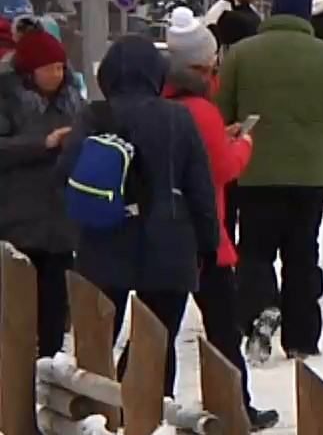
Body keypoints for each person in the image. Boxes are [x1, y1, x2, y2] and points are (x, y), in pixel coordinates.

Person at [59, 36, 219, 396]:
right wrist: (207, 245)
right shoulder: (177, 117)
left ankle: (96, 415)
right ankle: (149, 423)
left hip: (102, 240)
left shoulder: (93, 116)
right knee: (156, 340)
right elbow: (200, 188)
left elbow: (65, 175)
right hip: (169, 243)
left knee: (97, 340)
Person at [217, 0, 323, 363]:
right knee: (302, 255)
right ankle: (301, 337)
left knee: (254, 252)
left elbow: (222, 112)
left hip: (253, 174)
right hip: (308, 176)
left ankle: (259, 312)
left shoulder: (241, 55)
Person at [162, 10, 276, 429]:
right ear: (202, 67)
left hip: (169, 234)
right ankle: (236, 407)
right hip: (207, 236)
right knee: (223, 330)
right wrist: (243, 144)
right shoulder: (200, 111)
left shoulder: (164, 105)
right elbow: (223, 169)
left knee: (159, 326)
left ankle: (143, 398)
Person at [0, 28, 85, 357]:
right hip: (17, 224)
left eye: (60, 67)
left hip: (61, 225)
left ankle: (48, 369)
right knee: (17, 312)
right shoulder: (8, 100)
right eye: (49, 68)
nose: (56, 74)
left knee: (54, 312)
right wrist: (43, 143)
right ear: (29, 71)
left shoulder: (73, 102)